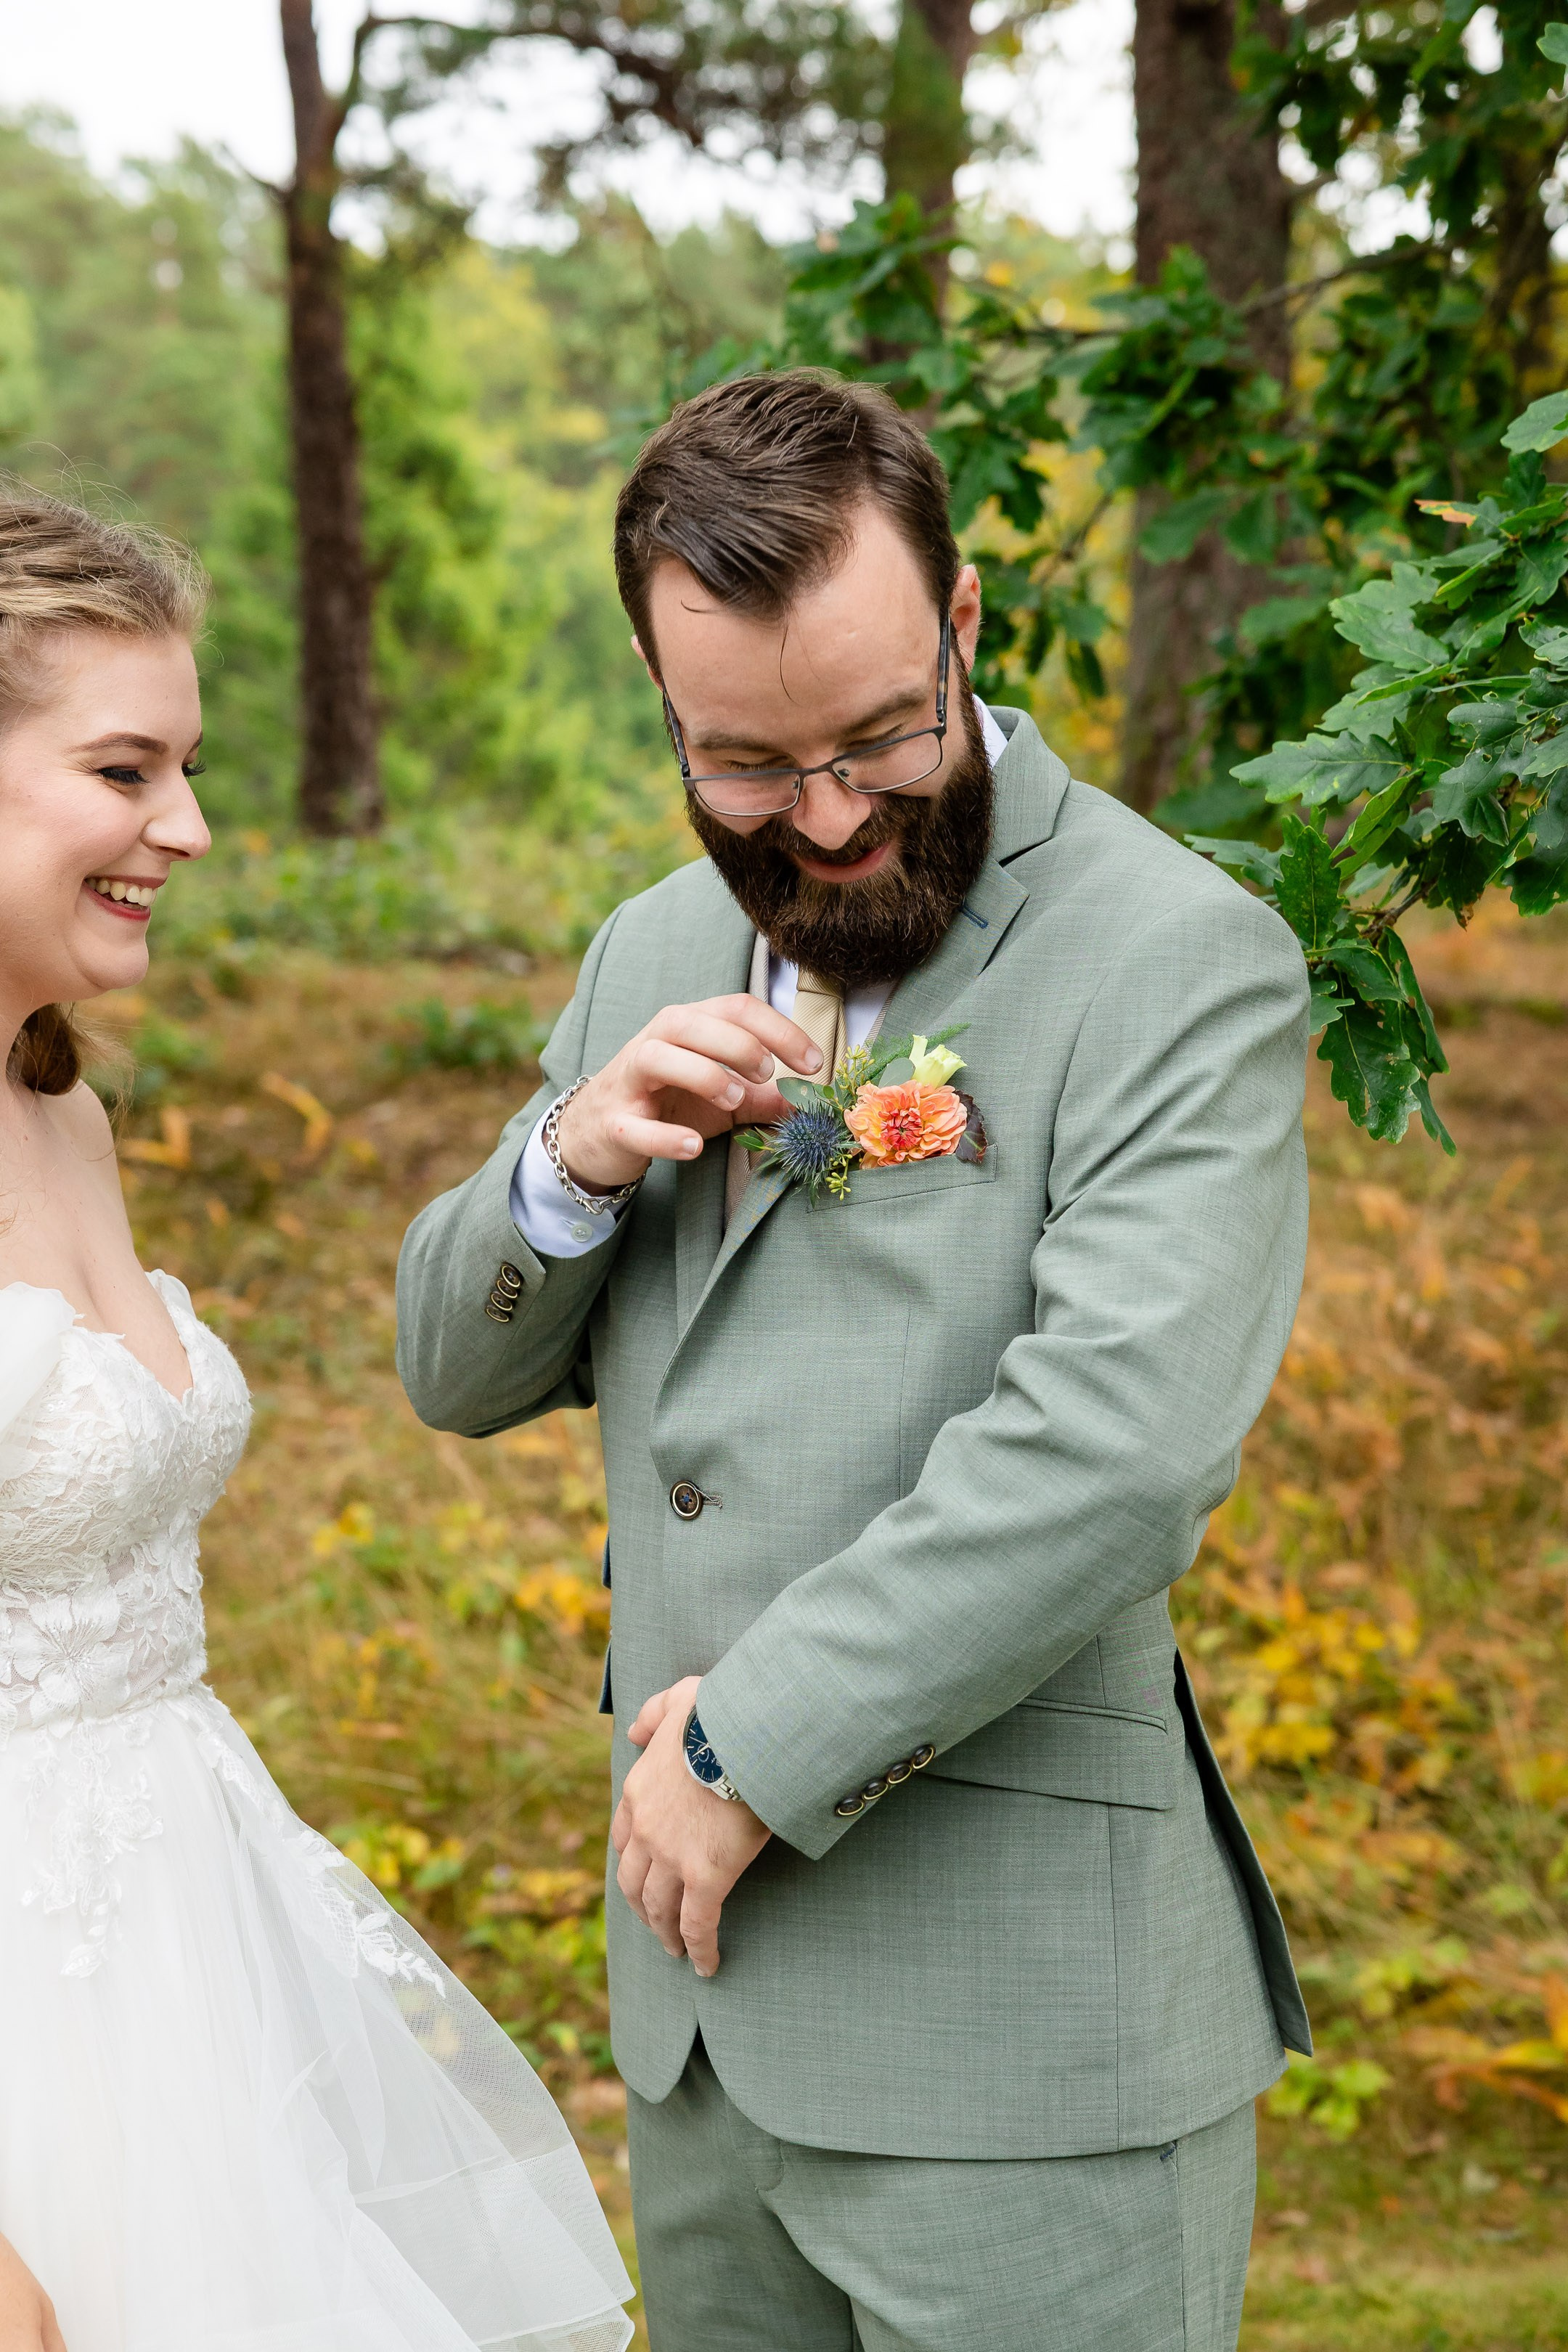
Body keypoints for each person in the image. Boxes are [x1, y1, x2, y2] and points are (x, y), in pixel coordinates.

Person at [396, 370, 1313, 2352]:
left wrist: (741, 1750)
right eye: (744, 766)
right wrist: (564, 1167)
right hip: (704, 2038)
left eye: (881, 738)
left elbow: (1116, 1449)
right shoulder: (647, 952)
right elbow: (447, 1374)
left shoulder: (1181, 955)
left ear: (966, 626)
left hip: (1020, 2036)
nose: (823, 819)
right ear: (664, 702)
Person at [0, 485, 634, 2352]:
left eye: (187, 770)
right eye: (127, 772)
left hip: (191, 1956)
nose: (185, 830)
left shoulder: (66, 1112)